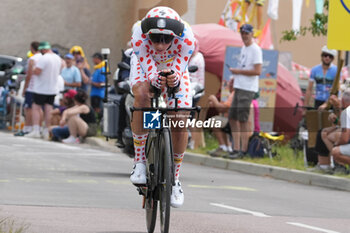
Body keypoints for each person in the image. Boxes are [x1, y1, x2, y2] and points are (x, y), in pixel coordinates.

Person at [129, 6, 195, 208]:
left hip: (174, 63)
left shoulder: (188, 38)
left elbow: (180, 67)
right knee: (142, 95)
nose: (160, 44)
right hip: (144, 64)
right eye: (155, 38)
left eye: (167, 39)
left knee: (180, 116)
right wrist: (154, 79)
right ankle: (139, 162)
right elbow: (148, 66)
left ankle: (175, 180)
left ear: (176, 35)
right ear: (147, 33)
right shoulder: (139, 33)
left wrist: (172, 79)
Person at [227, 24, 262, 159]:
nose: (244, 35)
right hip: (239, 86)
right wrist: (234, 78)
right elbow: (242, 67)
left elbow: (257, 71)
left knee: (243, 120)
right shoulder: (244, 48)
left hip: (248, 88)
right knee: (232, 117)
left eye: (247, 33)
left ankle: (243, 149)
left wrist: (238, 72)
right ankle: (235, 148)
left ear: (252, 34)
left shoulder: (255, 49)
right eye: (242, 33)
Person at [26, 41, 63, 139]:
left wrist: (33, 67)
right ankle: (47, 130)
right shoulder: (58, 58)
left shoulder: (44, 58)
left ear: (43, 49)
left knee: (36, 107)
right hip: (52, 88)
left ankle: (36, 130)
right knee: (48, 109)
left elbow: (37, 72)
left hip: (41, 88)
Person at [17, 41, 42, 136]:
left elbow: (29, 75)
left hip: (32, 87)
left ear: (32, 48)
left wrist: (25, 88)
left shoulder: (32, 59)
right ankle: (38, 128)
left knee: (28, 108)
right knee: (39, 109)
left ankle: (27, 128)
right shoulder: (43, 58)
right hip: (40, 87)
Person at [304, 46, 338, 110]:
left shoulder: (336, 70)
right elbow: (309, 89)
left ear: (332, 58)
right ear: (322, 56)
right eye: (325, 55)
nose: (327, 58)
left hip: (331, 102)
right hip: (318, 101)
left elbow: (337, 90)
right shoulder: (314, 69)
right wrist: (305, 107)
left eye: (330, 56)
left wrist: (327, 103)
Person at [90, 52, 106, 121]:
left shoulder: (102, 70)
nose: (93, 60)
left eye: (94, 58)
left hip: (98, 94)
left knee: (98, 111)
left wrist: (91, 82)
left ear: (97, 59)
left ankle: (98, 125)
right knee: (94, 110)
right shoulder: (97, 69)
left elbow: (101, 84)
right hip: (94, 94)